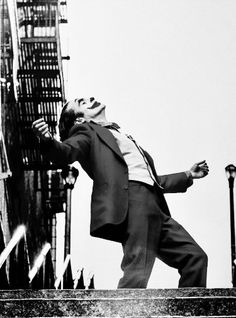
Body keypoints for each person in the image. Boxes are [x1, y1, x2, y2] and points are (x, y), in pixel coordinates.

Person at [32, 97, 209, 288]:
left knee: (195, 258)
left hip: (156, 206)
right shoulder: (85, 131)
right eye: (81, 102)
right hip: (133, 202)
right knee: (137, 268)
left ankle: (187, 316)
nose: (89, 98)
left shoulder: (119, 134)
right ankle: (120, 317)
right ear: (79, 120)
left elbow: (153, 181)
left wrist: (188, 175)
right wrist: (47, 140)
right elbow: (66, 151)